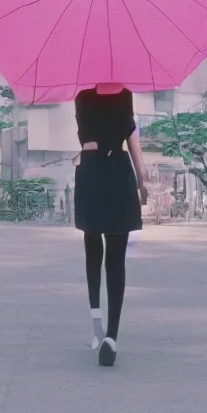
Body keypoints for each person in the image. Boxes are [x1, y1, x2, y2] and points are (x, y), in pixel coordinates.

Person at [73, 83, 147, 367]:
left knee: (93, 251)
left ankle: (97, 328)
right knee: (117, 261)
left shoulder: (81, 95)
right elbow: (131, 138)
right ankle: (112, 337)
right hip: (118, 170)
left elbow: (86, 139)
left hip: (91, 170)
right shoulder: (127, 94)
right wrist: (141, 178)